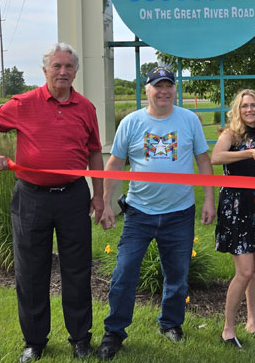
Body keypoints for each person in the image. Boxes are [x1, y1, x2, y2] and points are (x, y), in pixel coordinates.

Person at [0, 42, 103, 362]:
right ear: (45, 70)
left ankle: (80, 338)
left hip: (73, 196)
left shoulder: (86, 108)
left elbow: (94, 152)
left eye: (68, 67)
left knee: (77, 270)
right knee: (31, 271)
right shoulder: (24, 103)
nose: (63, 72)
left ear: (75, 72)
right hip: (31, 198)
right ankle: (34, 341)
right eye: (56, 66)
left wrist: (99, 195)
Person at [95, 67, 216, 360]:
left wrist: (210, 200)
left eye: (169, 86)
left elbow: (203, 159)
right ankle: (114, 332)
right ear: (146, 89)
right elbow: (114, 163)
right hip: (139, 213)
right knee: (124, 273)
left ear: (175, 90)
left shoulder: (188, 120)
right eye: (157, 86)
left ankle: (171, 324)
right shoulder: (132, 122)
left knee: (177, 275)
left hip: (180, 213)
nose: (163, 91)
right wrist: (106, 202)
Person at [210, 89, 255, 349]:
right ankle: (228, 329)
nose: (249, 110)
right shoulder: (231, 134)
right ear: (237, 110)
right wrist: (248, 153)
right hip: (236, 206)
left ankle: (253, 323)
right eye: (244, 106)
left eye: (254, 105)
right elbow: (216, 158)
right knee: (245, 271)